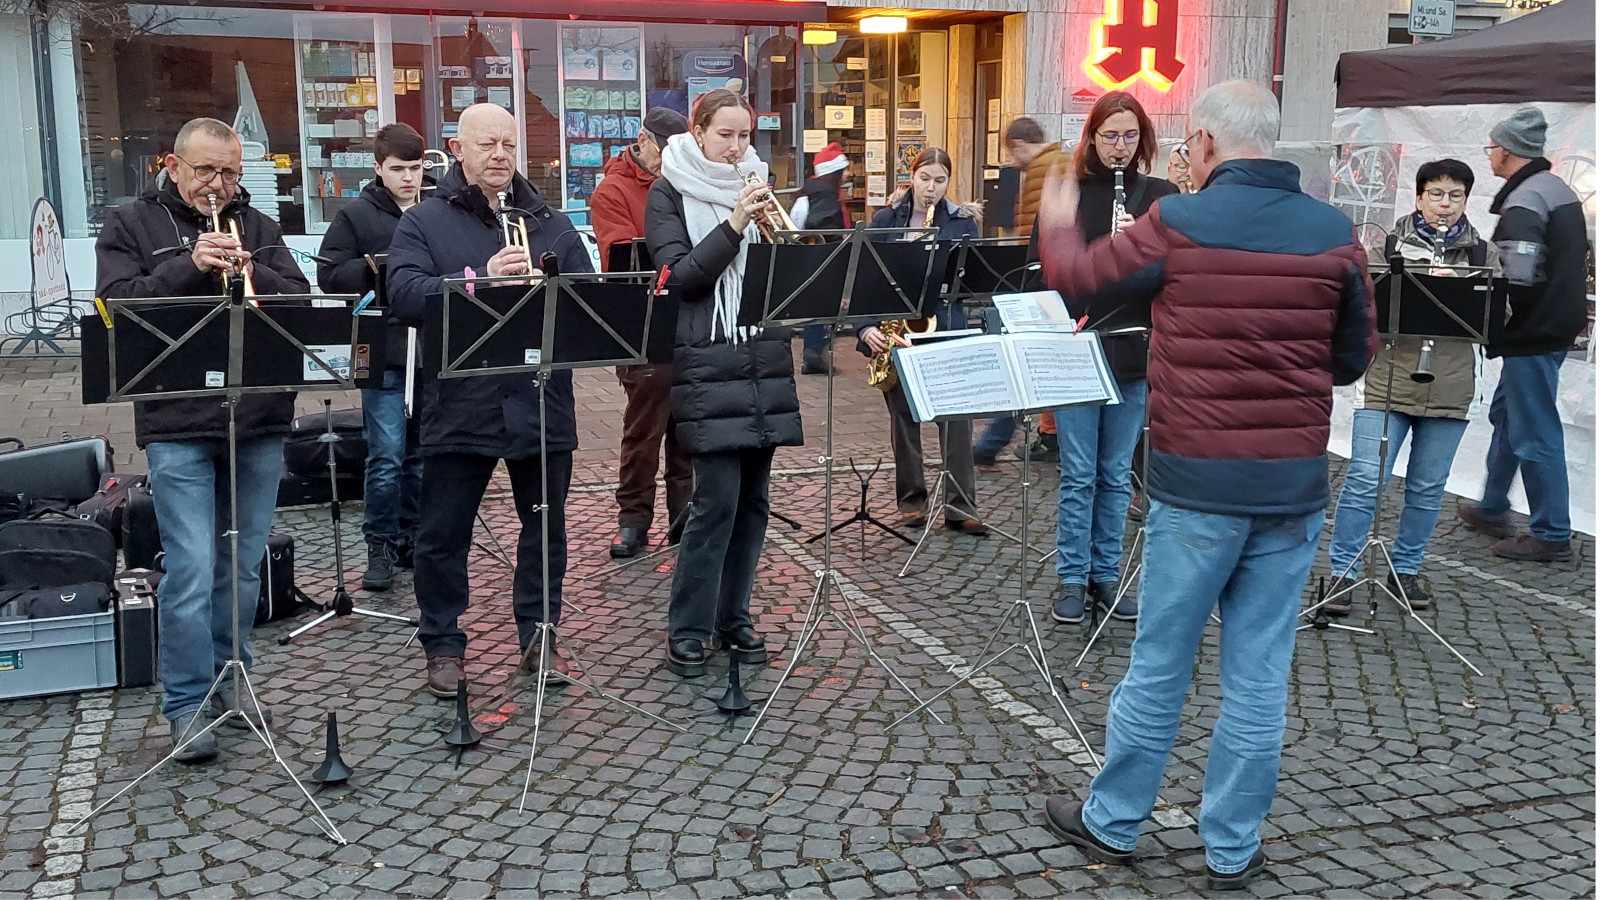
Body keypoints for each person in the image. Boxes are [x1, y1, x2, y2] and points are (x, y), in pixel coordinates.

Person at [1034, 81, 1377, 892]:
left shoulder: (1178, 221)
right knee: (1258, 676)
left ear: (1210, 144)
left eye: (1190, 145)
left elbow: (1078, 280)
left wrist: (1055, 213)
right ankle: (1231, 846)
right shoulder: (1335, 234)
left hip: (1195, 486)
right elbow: (1351, 358)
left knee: (1161, 664)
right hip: (1290, 489)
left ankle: (1114, 821)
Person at [95, 117, 310, 763]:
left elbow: (301, 302)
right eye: (206, 170)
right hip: (178, 422)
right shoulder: (131, 224)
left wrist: (253, 270)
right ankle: (187, 705)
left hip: (258, 419)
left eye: (230, 173)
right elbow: (115, 306)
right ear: (173, 165)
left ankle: (230, 679)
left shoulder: (259, 227)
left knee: (241, 565)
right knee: (190, 569)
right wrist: (188, 267)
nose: (219, 185)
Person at [387, 103, 594, 697]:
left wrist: (551, 289)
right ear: (458, 149)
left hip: (540, 397)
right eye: (487, 145)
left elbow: (588, 300)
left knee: (545, 529)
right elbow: (404, 294)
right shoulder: (423, 220)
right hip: (462, 398)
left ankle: (539, 636)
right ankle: (443, 644)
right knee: (443, 533)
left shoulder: (551, 221)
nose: (500, 155)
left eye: (508, 144)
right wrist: (479, 279)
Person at [645, 88, 803, 678]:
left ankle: (734, 616)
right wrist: (736, 223)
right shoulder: (668, 191)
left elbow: (784, 275)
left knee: (755, 503)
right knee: (714, 503)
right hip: (706, 358)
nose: (737, 147)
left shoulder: (759, 182)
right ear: (698, 132)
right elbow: (681, 277)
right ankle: (688, 627)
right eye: (725, 135)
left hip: (761, 355)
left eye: (744, 136)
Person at [1325, 159, 1501, 615]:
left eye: (1456, 196)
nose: (1445, 205)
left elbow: (1497, 319)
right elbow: (1356, 304)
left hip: (1451, 386)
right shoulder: (1386, 247)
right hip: (1388, 378)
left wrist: (1461, 292)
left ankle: (1405, 569)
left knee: (1427, 487)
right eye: (1436, 194)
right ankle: (1342, 573)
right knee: (1366, 481)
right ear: (1419, 197)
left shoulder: (1483, 255)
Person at [1044, 91, 1178, 626]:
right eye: (1109, 136)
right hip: (1078, 349)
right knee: (1079, 474)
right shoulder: (1072, 194)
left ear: (1142, 139)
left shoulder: (1160, 197)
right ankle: (1072, 578)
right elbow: (1045, 272)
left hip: (1132, 353)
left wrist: (1139, 246)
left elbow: (1175, 278)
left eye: (1129, 136)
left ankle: (1106, 575)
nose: (1119, 147)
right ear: (1092, 138)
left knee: (1117, 474)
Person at [1456, 107, 1588, 562]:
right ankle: (1492, 507)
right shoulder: (1554, 189)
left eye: (1491, 147)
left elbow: (1516, 280)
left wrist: (1489, 324)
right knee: (1509, 417)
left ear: (1508, 151)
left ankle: (1551, 533)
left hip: (1534, 331)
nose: (1489, 155)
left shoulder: (1527, 200)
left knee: (1534, 430)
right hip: (1553, 325)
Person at [316, 122, 428, 591]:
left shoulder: (437, 208)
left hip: (429, 349)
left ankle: (413, 539)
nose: (409, 178)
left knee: (421, 456)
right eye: (398, 169)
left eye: (415, 168)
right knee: (386, 456)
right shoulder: (356, 215)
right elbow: (328, 275)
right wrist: (374, 269)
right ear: (379, 168)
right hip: (382, 350)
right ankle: (379, 544)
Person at [857, 148, 987, 536]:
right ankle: (911, 501)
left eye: (940, 180)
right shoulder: (885, 220)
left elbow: (971, 281)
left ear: (949, 182)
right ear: (911, 177)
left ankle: (960, 506)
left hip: (945, 328)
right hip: (898, 332)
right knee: (903, 420)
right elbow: (863, 279)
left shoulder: (961, 223)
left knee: (957, 419)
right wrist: (865, 327)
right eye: (925, 178)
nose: (931, 188)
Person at [588, 107, 693, 560]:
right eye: (665, 151)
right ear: (643, 140)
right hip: (642, 324)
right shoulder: (612, 190)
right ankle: (633, 519)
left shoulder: (686, 180)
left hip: (688, 319)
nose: (671, 160)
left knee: (688, 428)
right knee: (644, 432)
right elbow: (621, 257)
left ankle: (684, 516)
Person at [973, 116, 1072, 466]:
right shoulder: (1062, 161)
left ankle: (993, 441)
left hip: (1039, 280)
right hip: (1054, 280)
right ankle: (1048, 435)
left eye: (1012, 152)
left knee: (1015, 356)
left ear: (1018, 145)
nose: (1013, 161)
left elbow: (1032, 232)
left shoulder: (1043, 169)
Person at [791, 142, 851, 375]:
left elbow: (797, 221)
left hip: (811, 257)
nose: (847, 174)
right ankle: (815, 352)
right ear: (834, 172)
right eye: (844, 170)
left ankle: (815, 352)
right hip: (824, 257)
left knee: (818, 306)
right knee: (822, 306)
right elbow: (825, 227)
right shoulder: (826, 195)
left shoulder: (810, 193)